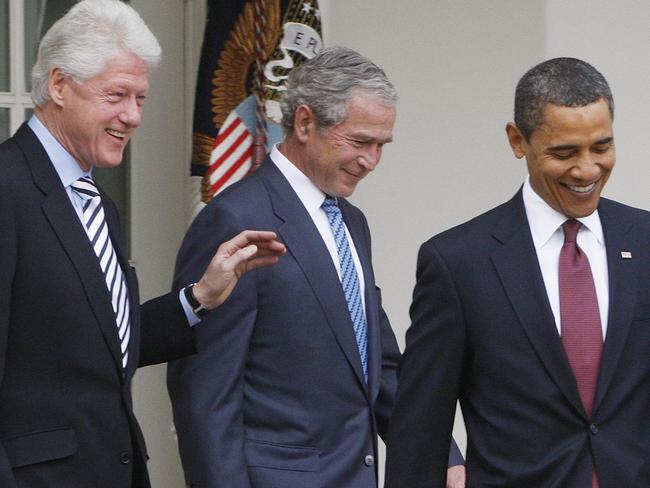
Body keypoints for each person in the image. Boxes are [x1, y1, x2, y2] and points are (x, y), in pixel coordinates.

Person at [0, 1, 285, 487]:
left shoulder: (94, 203)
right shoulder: (8, 188)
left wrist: (199, 299)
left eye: (141, 98)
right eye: (117, 95)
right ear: (59, 85)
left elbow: (104, 344)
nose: (132, 116)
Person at [167, 46, 464, 488]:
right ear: (305, 122)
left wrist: (442, 455)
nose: (371, 161)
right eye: (360, 141)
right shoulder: (236, 219)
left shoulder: (351, 222)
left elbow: (377, 362)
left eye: (381, 145)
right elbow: (206, 397)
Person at [385, 56, 650, 487]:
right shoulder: (458, 263)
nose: (587, 170)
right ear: (517, 140)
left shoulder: (644, 240)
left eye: (601, 147)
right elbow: (420, 431)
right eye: (564, 153)